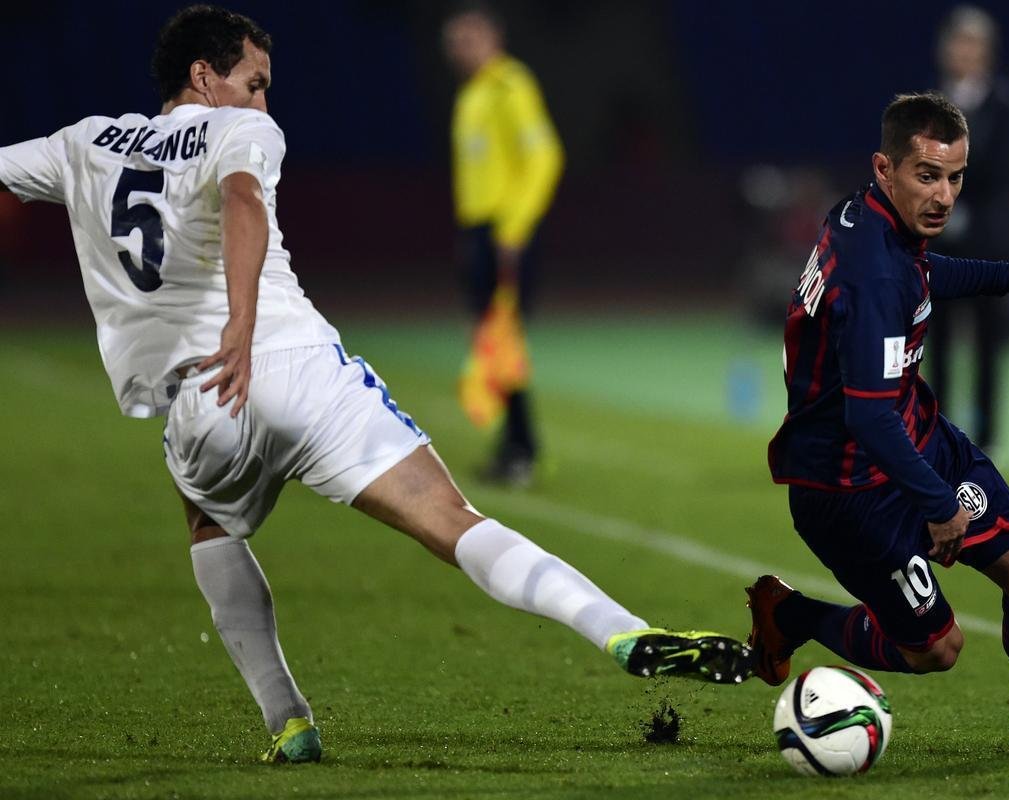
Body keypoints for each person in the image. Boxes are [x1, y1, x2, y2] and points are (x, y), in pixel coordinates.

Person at [0, 5, 751, 765]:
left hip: (203, 396)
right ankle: (617, 629)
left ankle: (289, 721)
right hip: (293, 363)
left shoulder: (81, 142)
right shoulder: (242, 132)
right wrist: (241, 321)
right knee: (449, 518)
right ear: (204, 75)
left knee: (209, 524)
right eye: (253, 83)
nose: (263, 102)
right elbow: (240, 200)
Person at [747, 92, 1009, 757]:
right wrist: (937, 507)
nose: (944, 194)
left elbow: (920, 275)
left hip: (914, 436)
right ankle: (790, 615)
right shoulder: (870, 274)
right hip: (846, 488)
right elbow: (866, 414)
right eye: (927, 175)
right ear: (884, 167)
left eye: (955, 176)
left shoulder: (868, 218)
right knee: (934, 649)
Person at [444, 2, 564, 486]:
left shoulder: (508, 85)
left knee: (503, 341)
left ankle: (522, 450)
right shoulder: (472, 94)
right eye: (454, 43)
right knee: (495, 343)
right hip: (480, 233)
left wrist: (512, 230)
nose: (458, 50)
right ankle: (515, 445)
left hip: (504, 235)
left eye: (468, 39)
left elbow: (545, 157)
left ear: (492, 38)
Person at [930, 5, 1009, 450]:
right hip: (941, 238)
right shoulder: (930, 103)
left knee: (988, 343)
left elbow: (999, 168)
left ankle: (984, 439)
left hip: (988, 239)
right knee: (938, 339)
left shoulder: (1006, 102)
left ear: (988, 52)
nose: (965, 52)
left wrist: (950, 182)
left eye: (974, 44)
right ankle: (938, 430)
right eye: (959, 42)